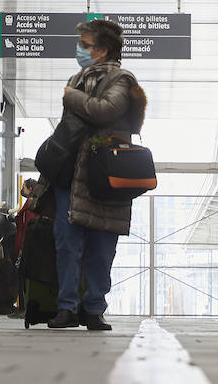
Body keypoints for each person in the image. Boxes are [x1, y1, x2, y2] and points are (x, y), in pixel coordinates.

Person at [48, 19, 147, 332]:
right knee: (67, 242)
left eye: (86, 45)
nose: (80, 50)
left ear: (103, 50)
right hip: (72, 171)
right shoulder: (77, 78)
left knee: (102, 244)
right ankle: (66, 307)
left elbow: (106, 111)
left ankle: (94, 308)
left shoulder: (122, 79)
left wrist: (70, 96)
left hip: (104, 172)